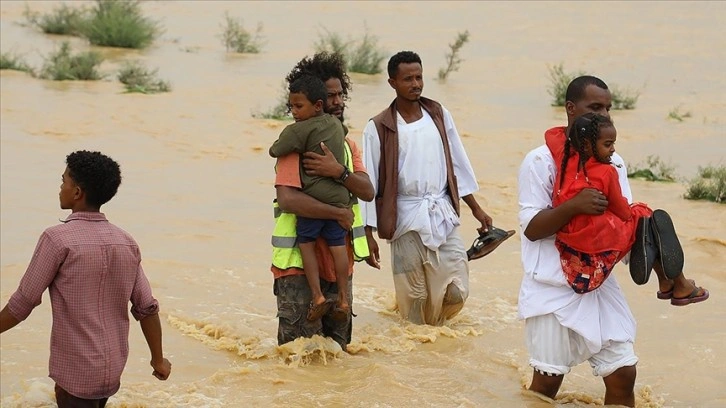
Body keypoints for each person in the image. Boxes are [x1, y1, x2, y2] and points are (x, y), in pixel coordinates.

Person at [517, 75, 709, 406]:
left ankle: (670, 280)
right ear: (570, 109)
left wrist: (642, 243)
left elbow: (617, 220)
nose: (604, 114)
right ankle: (674, 282)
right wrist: (574, 206)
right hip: (551, 285)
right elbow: (533, 228)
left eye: (609, 107)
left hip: (600, 282)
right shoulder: (540, 161)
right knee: (546, 385)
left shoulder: (612, 161)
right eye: (595, 107)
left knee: (623, 373)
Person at [0, 150, 171, 408]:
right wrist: (158, 359)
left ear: (77, 192)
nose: (60, 187)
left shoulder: (57, 239)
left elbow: (23, 302)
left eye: (63, 181)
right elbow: (147, 308)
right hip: (112, 370)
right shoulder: (126, 242)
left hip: (77, 372)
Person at [360, 50, 497, 326]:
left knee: (457, 292)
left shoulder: (438, 113)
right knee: (415, 301)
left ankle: (436, 331)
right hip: (403, 218)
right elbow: (369, 185)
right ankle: (422, 351)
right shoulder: (378, 127)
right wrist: (368, 234)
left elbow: (457, 164)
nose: (416, 84)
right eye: (408, 79)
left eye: (419, 77)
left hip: (441, 213)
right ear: (392, 83)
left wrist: (476, 209)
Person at [271, 52, 375, 352]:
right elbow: (287, 199)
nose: (339, 102)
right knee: (297, 360)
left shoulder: (347, 144)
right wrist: (337, 212)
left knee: (338, 358)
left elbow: (367, 191)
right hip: (298, 270)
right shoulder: (296, 145)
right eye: (331, 96)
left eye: (341, 94)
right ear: (316, 101)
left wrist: (339, 172)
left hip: (339, 270)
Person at [549, 112, 710, 303]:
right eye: (608, 145)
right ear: (586, 145)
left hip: (572, 263)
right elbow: (623, 212)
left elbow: (552, 133)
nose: (613, 150)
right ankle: (680, 284)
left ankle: (666, 282)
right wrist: (637, 211)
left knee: (643, 221)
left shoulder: (565, 158)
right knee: (645, 216)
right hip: (596, 261)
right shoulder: (607, 171)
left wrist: (578, 130)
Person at [269, 74, 353, 322]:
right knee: (338, 246)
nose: (293, 112)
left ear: (317, 105)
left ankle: (317, 295)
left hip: (314, 202)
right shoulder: (338, 128)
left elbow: (275, 149)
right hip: (339, 198)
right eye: (291, 106)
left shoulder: (298, 130)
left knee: (306, 242)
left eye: (297, 106)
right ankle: (343, 298)